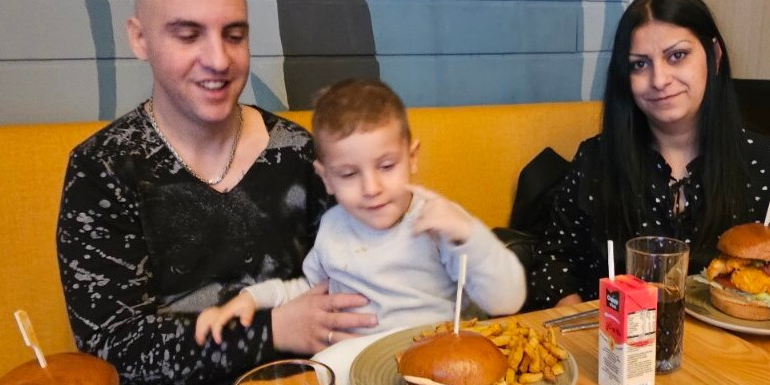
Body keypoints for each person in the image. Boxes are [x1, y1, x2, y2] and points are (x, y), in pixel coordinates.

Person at [56, 0, 375, 385]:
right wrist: (271, 331)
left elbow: (354, 279)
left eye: (234, 35)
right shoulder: (102, 169)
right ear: (140, 39)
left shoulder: (299, 153)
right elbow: (112, 351)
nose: (219, 60)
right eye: (189, 35)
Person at [531, 0, 770, 307]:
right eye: (640, 64)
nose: (659, 80)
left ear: (714, 56)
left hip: (735, 337)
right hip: (613, 335)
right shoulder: (596, 159)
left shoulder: (768, 160)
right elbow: (553, 264)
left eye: (677, 56)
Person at [195, 79, 527, 346]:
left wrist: (469, 237)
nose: (371, 188)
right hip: (356, 363)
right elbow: (310, 289)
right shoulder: (332, 227)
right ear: (326, 178)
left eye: (386, 166)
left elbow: (507, 302)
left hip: (437, 355)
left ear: (412, 158)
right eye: (349, 174)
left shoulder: (441, 221)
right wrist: (252, 299)